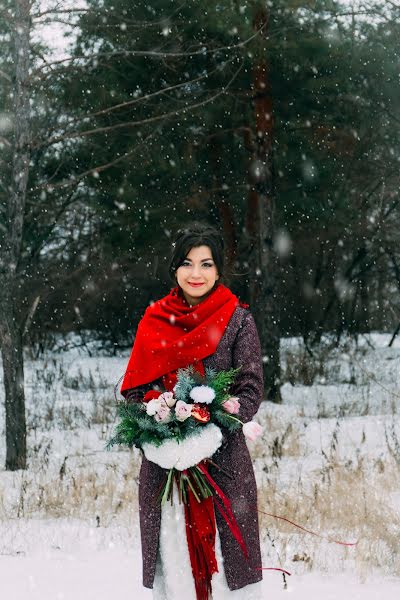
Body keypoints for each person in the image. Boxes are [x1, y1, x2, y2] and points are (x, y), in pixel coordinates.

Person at [120, 223, 264, 599]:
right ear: (174, 268)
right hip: (164, 472)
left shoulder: (237, 319)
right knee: (174, 563)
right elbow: (135, 390)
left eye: (206, 264)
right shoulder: (155, 321)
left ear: (219, 270)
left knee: (228, 566)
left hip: (224, 466)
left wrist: (214, 432)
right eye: (187, 263)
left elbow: (250, 388)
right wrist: (156, 436)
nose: (196, 274)